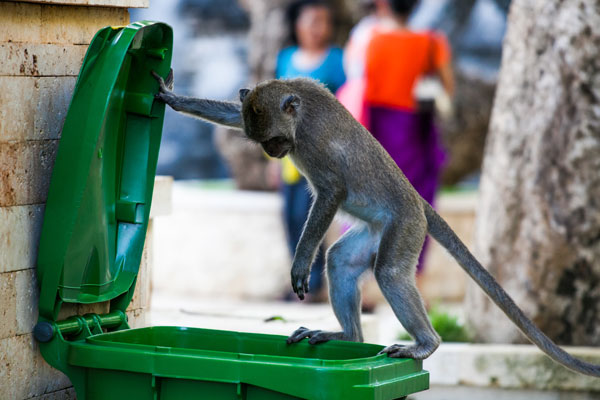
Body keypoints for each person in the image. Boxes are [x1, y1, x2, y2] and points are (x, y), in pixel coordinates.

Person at [364, 0, 454, 273]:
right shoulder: (432, 42)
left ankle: (365, 286)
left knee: (370, 202)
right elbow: (447, 89)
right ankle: (416, 284)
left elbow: (357, 86)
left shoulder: (369, 40)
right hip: (415, 132)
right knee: (418, 205)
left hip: (376, 130)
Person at [276, 0, 346, 301]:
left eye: (324, 21)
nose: (319, 29)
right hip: (289, 154)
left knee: (311, 219)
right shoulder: (286, 58)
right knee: (290, 218)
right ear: (297, 24)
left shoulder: (336, 60)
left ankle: (312, 284)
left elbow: (348, 105)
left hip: (321, 155)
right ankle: (301, 282)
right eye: (312, 21)